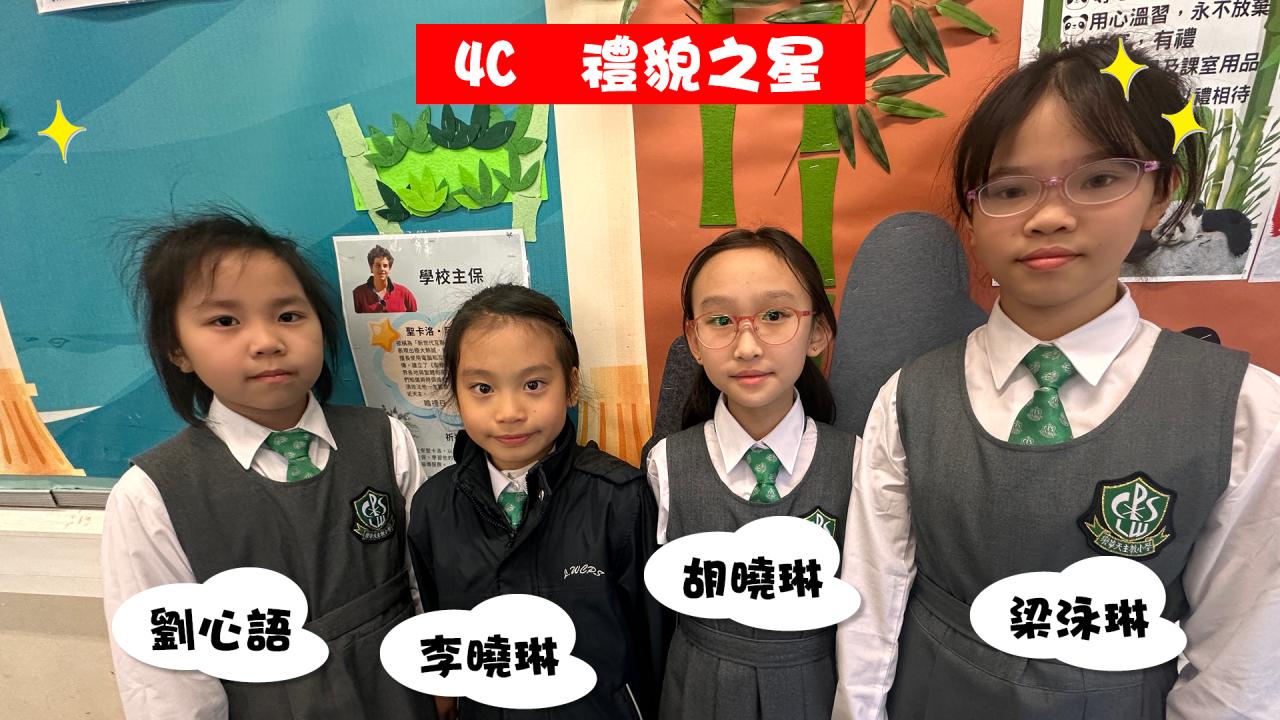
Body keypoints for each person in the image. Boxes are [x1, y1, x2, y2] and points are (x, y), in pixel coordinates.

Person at [834, 37, 1280, 719]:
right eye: (1010, 190)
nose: (1049, 216)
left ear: (1159, 193)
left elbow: (1239, 658)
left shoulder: (1245, 412)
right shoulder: (910, 396)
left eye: (1098, 179)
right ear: (973, 219)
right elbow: (875, 590)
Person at [101, 211, 433, 719]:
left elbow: (422, 578)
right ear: (177, 349)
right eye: (225, 321)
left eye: (288, 316)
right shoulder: (150, 497)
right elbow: (167, 681)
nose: (266, 342)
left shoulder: (384, 438)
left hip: (400, 694)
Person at [407, 283, 667, 720]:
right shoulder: (433, 506)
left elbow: (655, 641)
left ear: (571, 385)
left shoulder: (620, 498)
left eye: (533, 384)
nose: (509, 411)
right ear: (455, 393)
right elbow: (441, 626)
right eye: (482, 388)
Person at [647, 227, 858, 720]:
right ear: (694, 340)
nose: (747, 346)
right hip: (698, 689)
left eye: (775, 316)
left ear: (817, 332)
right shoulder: (666, 465)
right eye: (720, 320)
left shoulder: (858, 462)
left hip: (816, 688)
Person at [353, 244, 418, 313]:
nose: (382, 269)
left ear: (389, 269)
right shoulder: (358, 293)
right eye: (378, 265)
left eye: (385, 266)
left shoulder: (404, 293)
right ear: (371, 268)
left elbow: (413, 316)